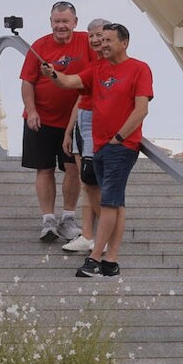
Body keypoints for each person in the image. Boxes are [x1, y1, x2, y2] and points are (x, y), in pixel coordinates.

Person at [43, 23, 152, 279]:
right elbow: (70, 82)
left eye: (108, 40)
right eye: (101, 40)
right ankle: (111, 262)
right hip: (100, 146)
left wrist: (119, 137)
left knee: (110, 202)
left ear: (124, 42)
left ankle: (96, 259)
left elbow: (141, 109)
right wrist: (52, 74)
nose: (102, 45)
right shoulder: (98, 69)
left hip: (120, 147)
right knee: (113, 202)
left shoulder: (139, 68)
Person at [20, 0, 96, 243]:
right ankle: (48, 219)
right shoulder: (39, 46)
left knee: (72, 168)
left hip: (73, 121)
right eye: (56, 21)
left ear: (75, 22)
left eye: (65, 21)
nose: (60, 26)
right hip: (41, 119)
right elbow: (27, 82)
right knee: (44, 168)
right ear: (50, 22)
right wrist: (31, 111)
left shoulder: (87, 42)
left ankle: (68, 217)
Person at [60, 17, 110, 253]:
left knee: (95, 184)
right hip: (83, 125)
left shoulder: (115, 65)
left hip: (100, 129)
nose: (96, 40)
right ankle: (88, 235)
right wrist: (69, 130)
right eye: (91, 36)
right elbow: (81, 98)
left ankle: (106, 236)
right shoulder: (92, 66)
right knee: (86, 183)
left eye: (100, 35)